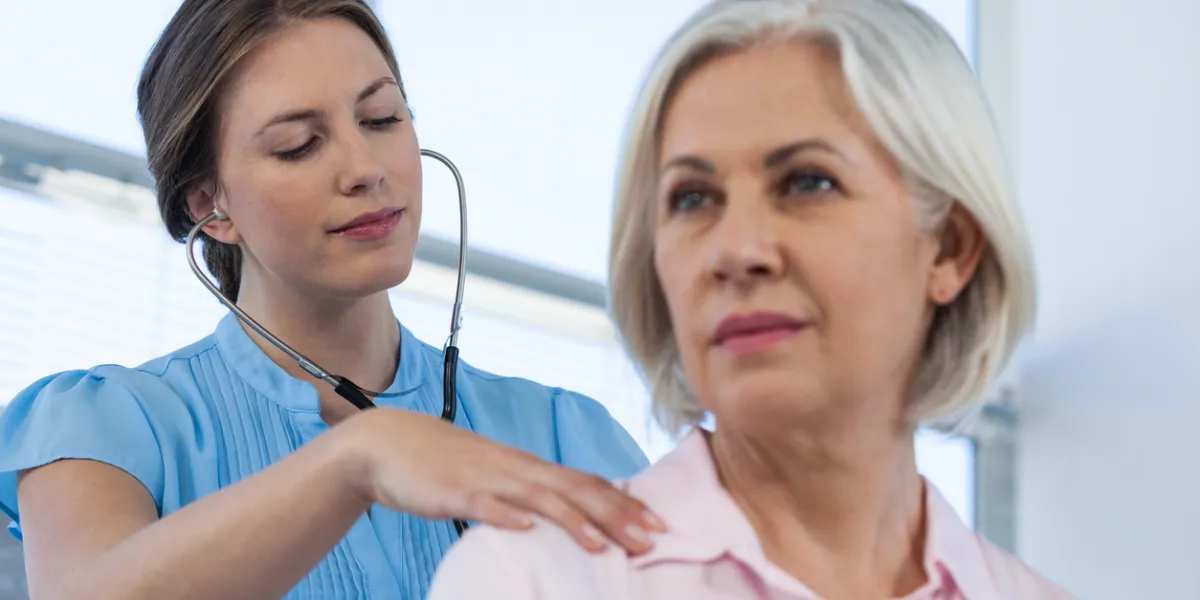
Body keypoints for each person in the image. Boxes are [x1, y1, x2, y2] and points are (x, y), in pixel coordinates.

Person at [0, 1, 668, 599]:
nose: (365, 168)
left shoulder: (566, 435)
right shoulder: (103, 428)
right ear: (211, 205)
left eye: (382, 118)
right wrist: (356, 459)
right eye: (299, 145)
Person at [426, 0, 1078, 598]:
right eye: (693, 198)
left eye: (807, 183)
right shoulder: (533, 580)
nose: (736, 251)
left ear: (950, 249)